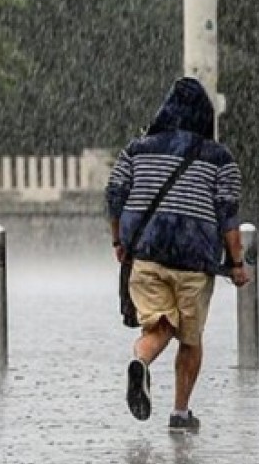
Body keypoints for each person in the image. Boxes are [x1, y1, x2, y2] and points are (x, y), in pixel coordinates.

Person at [106, 77, 249, 432]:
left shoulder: (137, 150)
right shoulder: (220, 159)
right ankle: (181, 413)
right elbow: (227, 216)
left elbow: (114, 196)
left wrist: (119, 242)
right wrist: (237, 264)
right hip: (194, 262)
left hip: (147, 254)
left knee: (160, 325)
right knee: (190, 337)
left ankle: (141, 360)